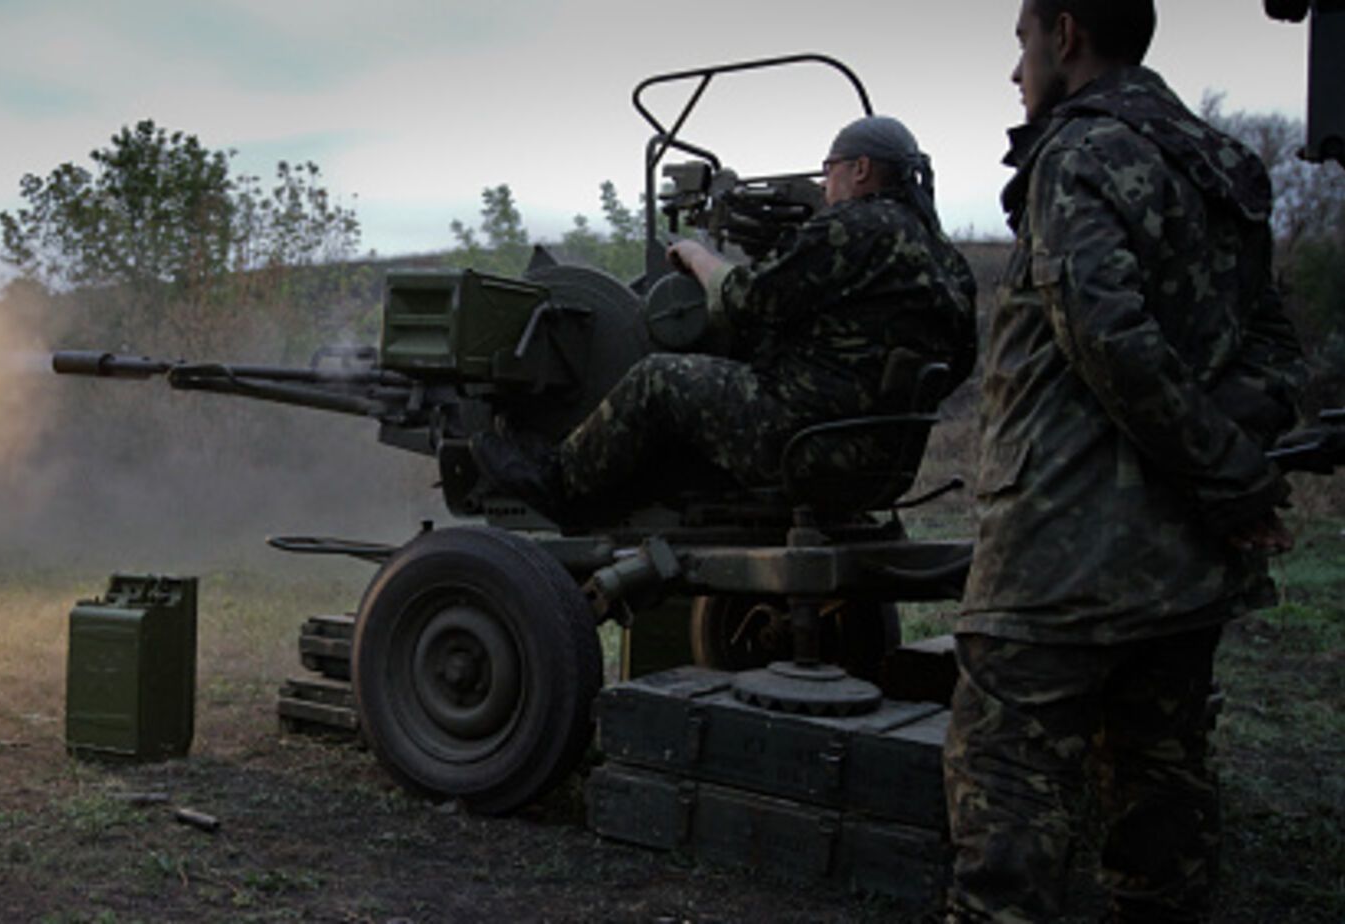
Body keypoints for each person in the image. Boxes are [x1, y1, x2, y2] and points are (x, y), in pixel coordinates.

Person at [945, 2, 1309, 921]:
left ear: (1064, 35)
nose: (1014, 73)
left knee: (1008, 807)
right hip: (1182, 565)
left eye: (1020, 46)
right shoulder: (1223, 166)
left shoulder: (1078, 153)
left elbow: (1105, 335)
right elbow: (1274, 350)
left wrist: (1229, 474)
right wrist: (1223, 468)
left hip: (1054, 558)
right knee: (1160, 810)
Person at [472, 115, 978, 522]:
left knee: (658, 379)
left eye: (830, 170)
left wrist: (697, 256)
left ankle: (559, 482)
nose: (826, 185)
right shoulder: (942, 254)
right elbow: (957, 362)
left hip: (806, 441)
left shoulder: (855, 228)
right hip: (882, 458)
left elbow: (748, 298)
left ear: (861, 169)